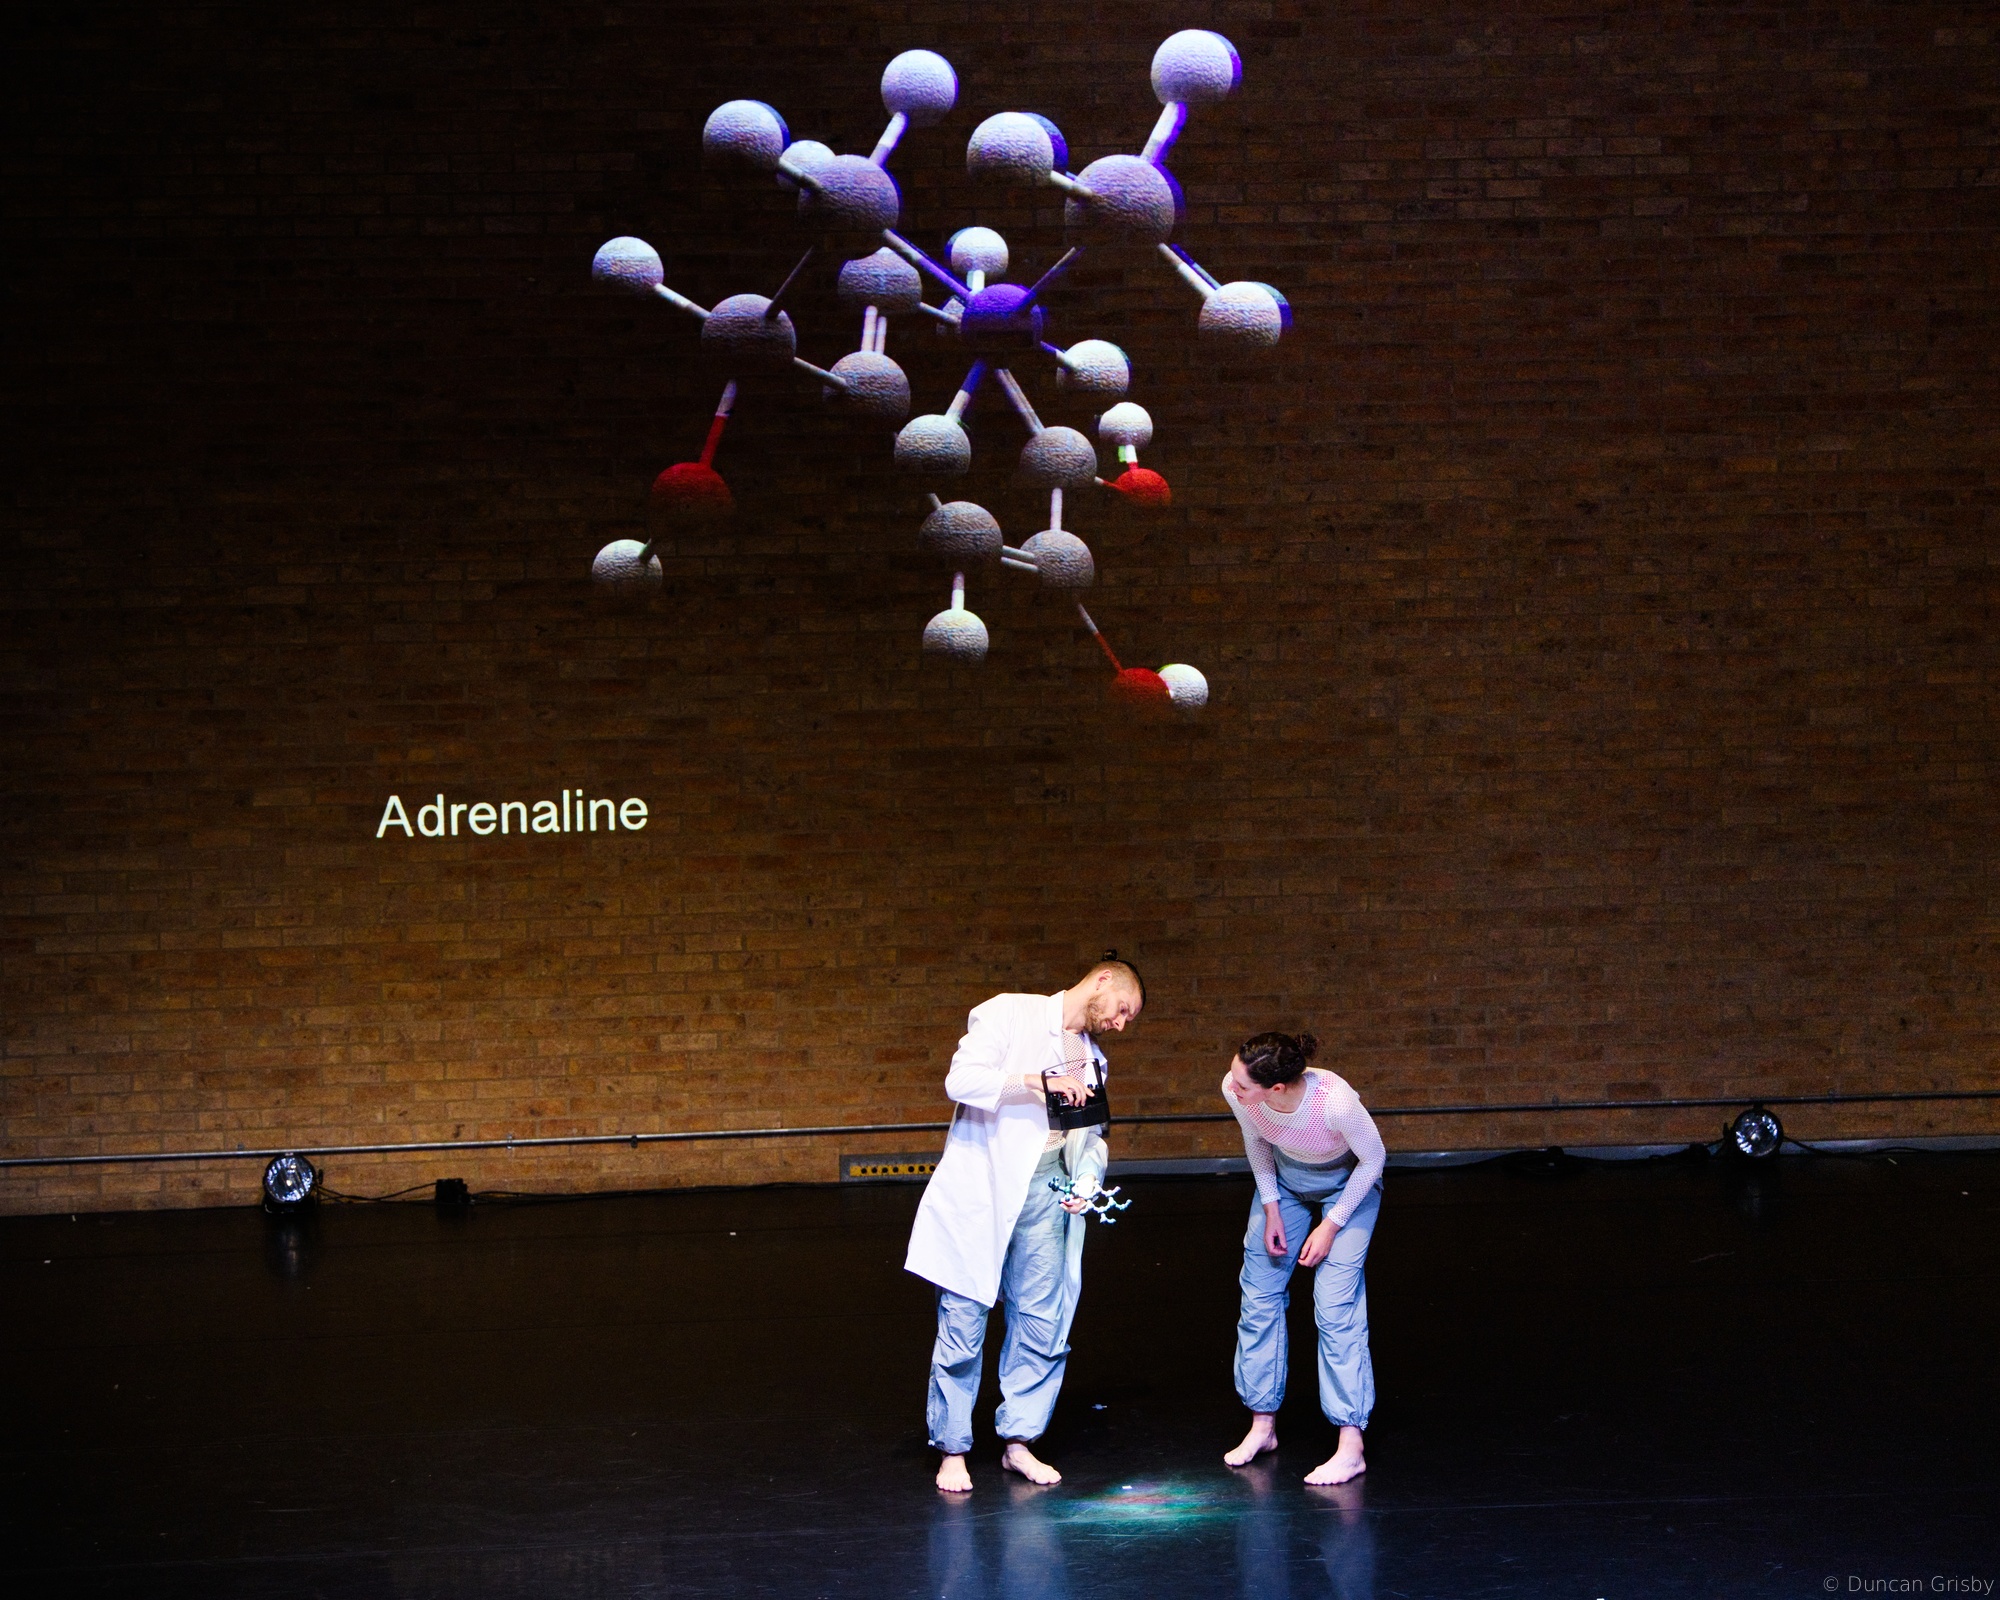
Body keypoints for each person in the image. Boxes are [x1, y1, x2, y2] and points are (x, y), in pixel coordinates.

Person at [905, 954, 1145, 1493]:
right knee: (964, 1319)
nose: (1120, 1023)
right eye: (1122, 1009)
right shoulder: (1009, 1012)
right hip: (985, 1186)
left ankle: (1019, 1440)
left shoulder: (1092, 1059)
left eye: (1127, 1019)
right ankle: (953, 1448)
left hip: (1046, 1190)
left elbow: (1092, 1135)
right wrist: (1036, 1081)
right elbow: (961, 1080)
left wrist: (1087, 1176)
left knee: (1041, 1318)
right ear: (1103, 979)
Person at [1219, 1030, 1385, 1486]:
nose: (1232, 1087)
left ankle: (1351, 1444)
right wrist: (1271, 1206)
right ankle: (1262, 1426)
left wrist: (1331, 1225)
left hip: (1348, 1186)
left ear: (1276, 1087)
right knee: (1259, 1296)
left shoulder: (1335, 1102)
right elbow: (1257, 1142)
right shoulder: (1237, 1089)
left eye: (1243, 1084)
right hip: (1286, 1182)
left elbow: (1373, 1159)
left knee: (1335, 1307)